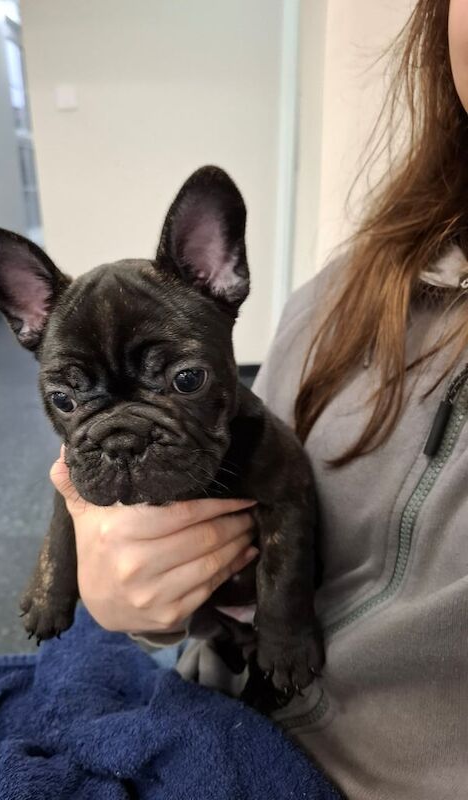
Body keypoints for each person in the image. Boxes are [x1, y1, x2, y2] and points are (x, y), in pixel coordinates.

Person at [50, 1, 468, 796]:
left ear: (222, 274)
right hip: (212, 701)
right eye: (70, 399)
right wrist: (131, 597)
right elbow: (208, 514)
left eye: (182, 381)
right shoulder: (337, 298)